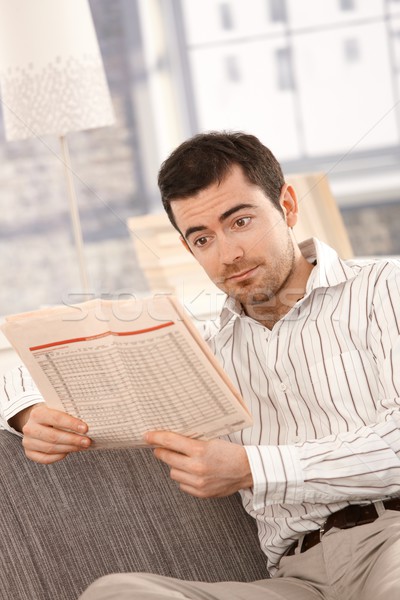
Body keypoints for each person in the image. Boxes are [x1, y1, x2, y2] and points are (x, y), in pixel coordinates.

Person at [1, 131, 400, 600]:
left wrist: (255, 468)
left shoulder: (383, 290)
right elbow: (18, 372)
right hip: (298, 580)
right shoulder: (205, 350)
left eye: (242, 221)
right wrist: (28, 412)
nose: (228, 254)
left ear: (288, 206)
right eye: (202, 237)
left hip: (393, 542)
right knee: (116, 592)